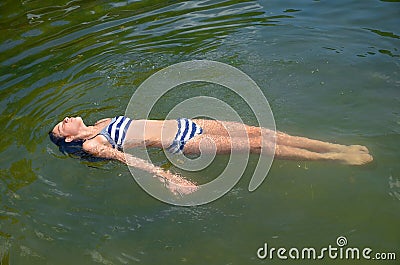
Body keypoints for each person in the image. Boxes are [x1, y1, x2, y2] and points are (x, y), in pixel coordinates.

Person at [49, 116, 373, 194]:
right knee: (261, 148)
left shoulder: (103, 122)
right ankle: (338, 159)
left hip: (189, 123)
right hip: (185, 144)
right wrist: (169, 177)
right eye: (61, 125)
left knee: (266, 133)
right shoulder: (93, 145)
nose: (66, 119)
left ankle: (336, 147)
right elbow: (130, 160)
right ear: (68, 137)